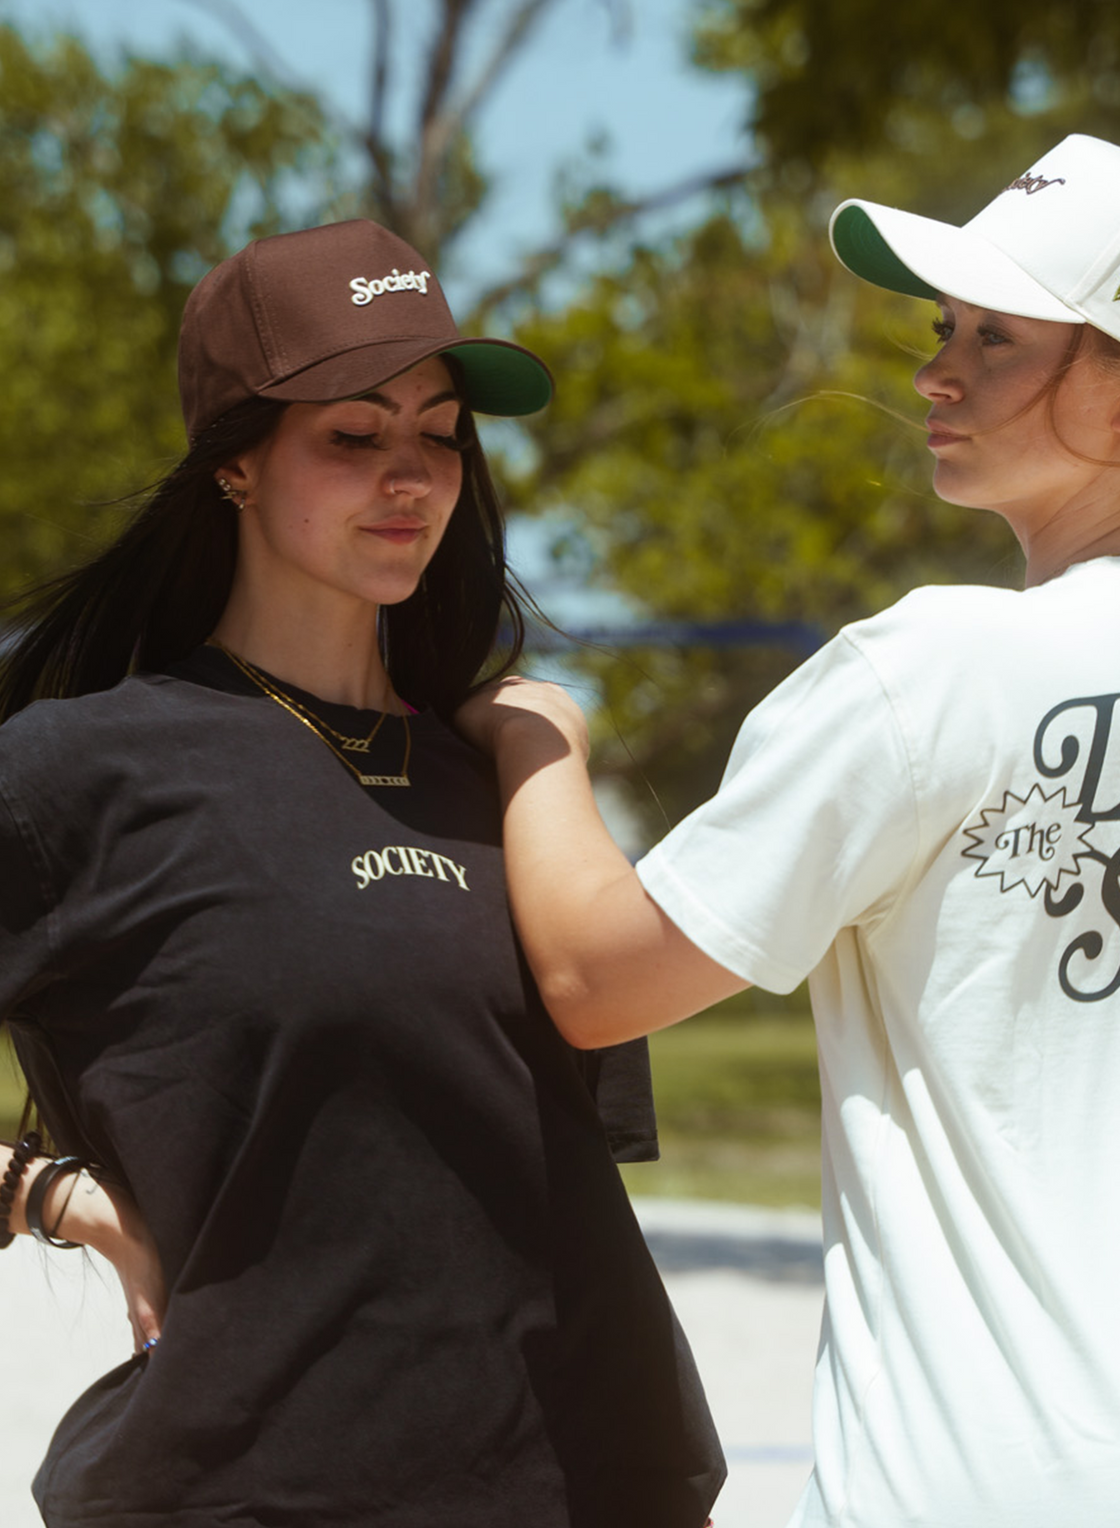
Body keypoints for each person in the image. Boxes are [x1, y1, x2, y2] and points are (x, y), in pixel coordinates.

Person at [457, 134, 1120, 1528]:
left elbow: (600, 981)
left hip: (1006, 1479)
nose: (934, 371)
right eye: (944, 328)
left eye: (998, 339)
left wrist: (534, 737)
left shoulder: (934, 666)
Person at [0, 217, 725, 1528]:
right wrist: (55, 1196)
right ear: (233, 463)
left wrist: (534, 746)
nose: (414, 477)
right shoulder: (76, 771)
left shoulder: (506, 780)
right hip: (250, 1491)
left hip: (583, 1489)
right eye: (353, 434)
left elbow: (556, 1175)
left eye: (440, 433)